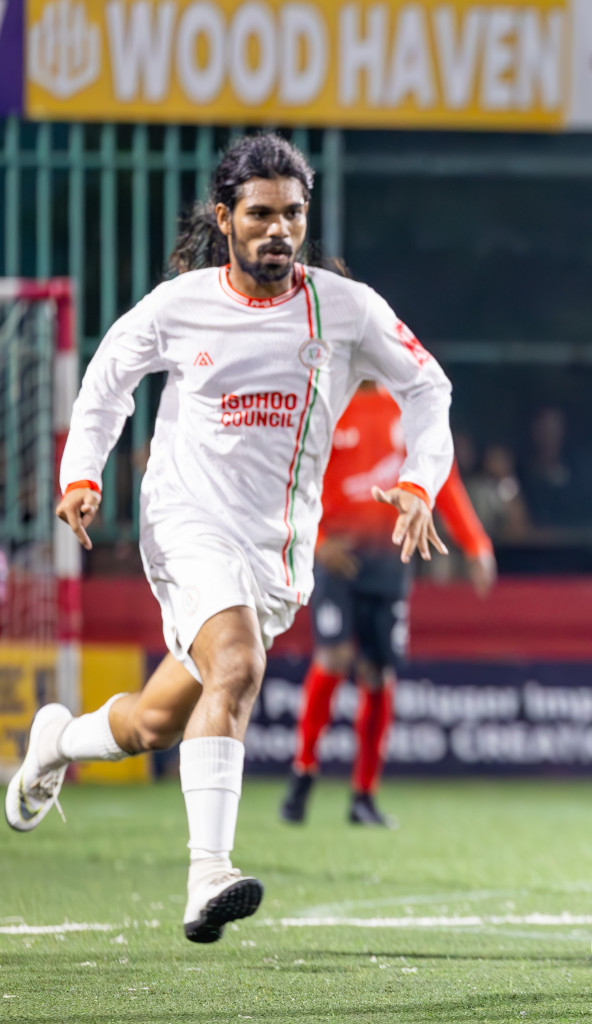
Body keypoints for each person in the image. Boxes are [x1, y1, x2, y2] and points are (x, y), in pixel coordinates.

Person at [3, 134, 454, 944]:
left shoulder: (346, 309)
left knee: (153, 723)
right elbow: (108, 375)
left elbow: (429, 389)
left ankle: (56, 742)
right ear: (226, 218)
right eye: (260, 214)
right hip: (184, 523)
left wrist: (420, 482)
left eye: (293, 214)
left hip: (274, 555)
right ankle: (208, 872)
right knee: (239, 665)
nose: (278, 230)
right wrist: (82, 471)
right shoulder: (182, 305)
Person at [279, 382, 495, 828]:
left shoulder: (410, 405)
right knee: (334, 657)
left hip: (391, 555)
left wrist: (475, 543)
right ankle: (302, 776)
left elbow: (442, 476)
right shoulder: (328, 402)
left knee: (378, 673)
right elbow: (297, 481)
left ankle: (364, 795)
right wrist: (317, 543)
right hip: (339, 555)